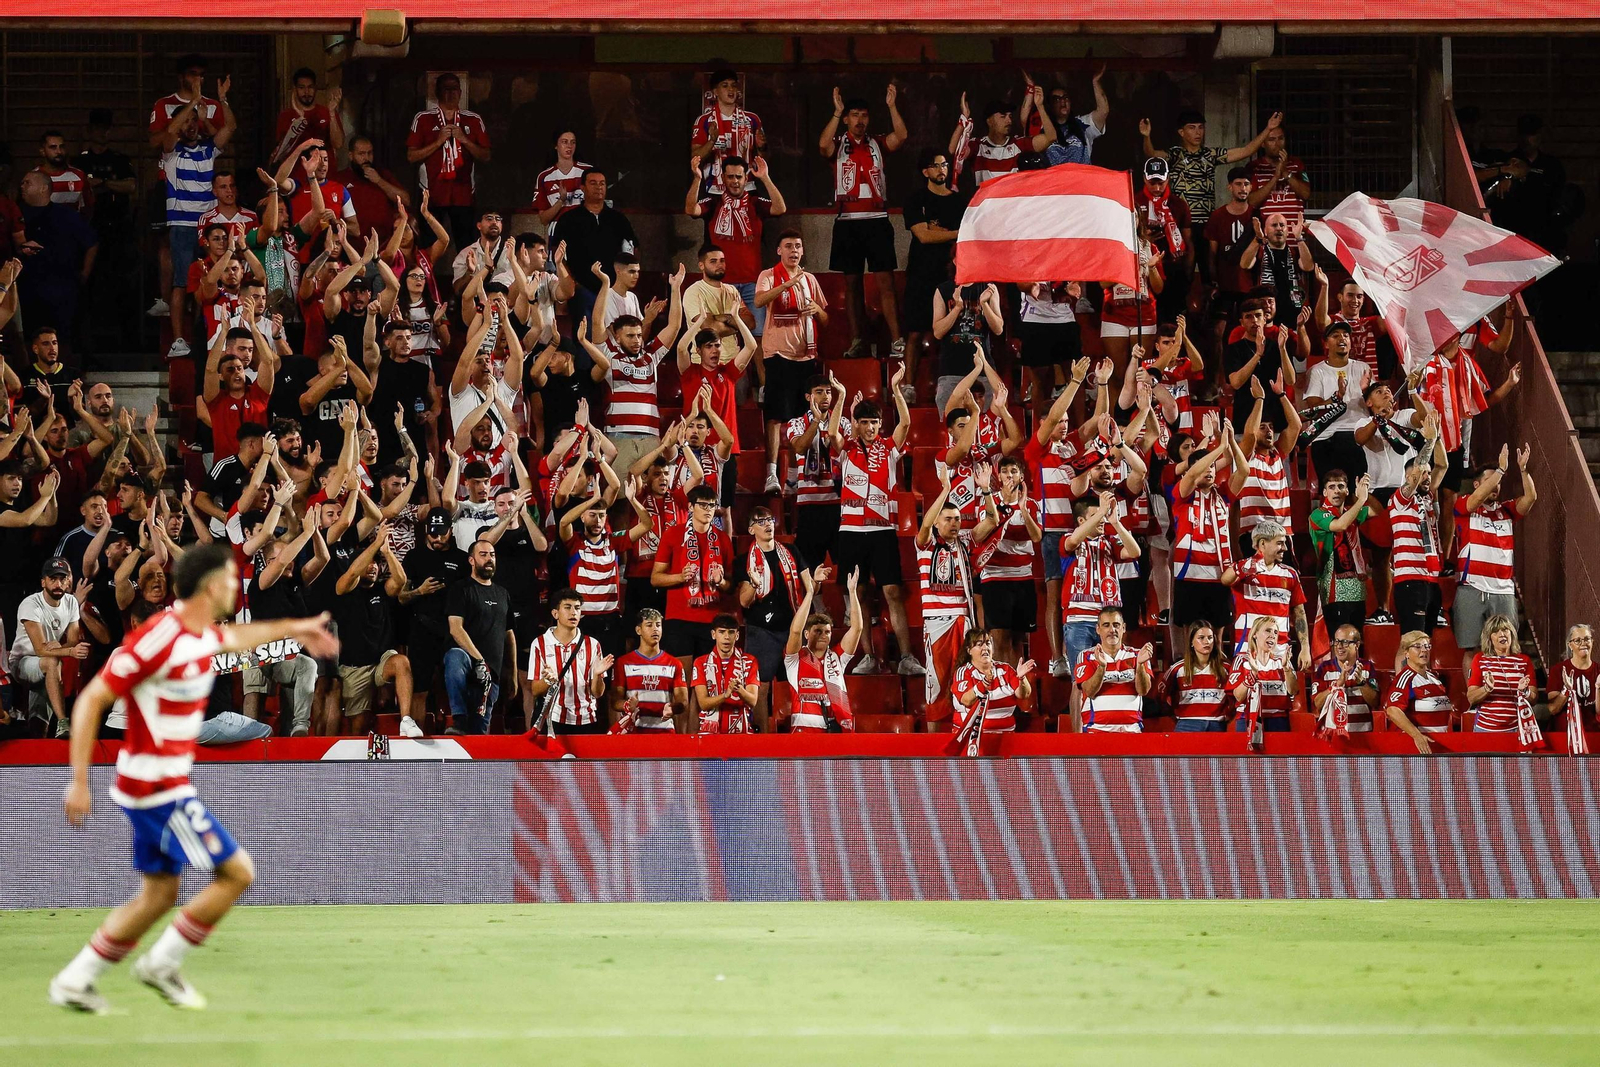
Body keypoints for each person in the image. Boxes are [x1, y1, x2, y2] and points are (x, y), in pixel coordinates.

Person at [50, 543, 336, 1014]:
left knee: (160, 894)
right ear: (210, 585)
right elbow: (91, 700)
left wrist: (298, 628)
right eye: (230, 578)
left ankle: (75, 979)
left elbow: (243, 639)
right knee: (238, 872)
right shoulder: (160, 636)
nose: (237, 587)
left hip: (153, 784)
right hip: (157, 787)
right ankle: (162, 963)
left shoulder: (200, 634)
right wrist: (77, 780)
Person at [831, 376, 921, 676]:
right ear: (856, 424)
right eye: (865, 422)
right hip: (851, 533)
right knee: (858, 595)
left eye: (875, 422)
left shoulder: (888, 447)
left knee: (893, 592)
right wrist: (842, 396)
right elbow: (832, 433)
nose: (870, 428)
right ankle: (868, 657)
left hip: (883, 531)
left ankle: (906, 657)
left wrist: (895, 390)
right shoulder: (846, 450)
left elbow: (905, 425)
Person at [818, 84, 907, 358]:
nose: (860, 120)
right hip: (848, 221)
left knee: (885, 282)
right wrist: (836, 113)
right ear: (847, 119)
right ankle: (858, 340)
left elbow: (901, 136)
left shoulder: (877, 143)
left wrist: (892, 106)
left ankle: (896, 340)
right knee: (852, 284)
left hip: (877, 220)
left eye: (864, 115)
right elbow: (823, 146)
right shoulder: (839, 144)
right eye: (854, 115)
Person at [156, 71, 235, 358]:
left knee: (209, 279)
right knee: (180, 280)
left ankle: (207, 333)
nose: (190, 125)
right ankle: (178, 339)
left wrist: (221, 100)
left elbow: (230, 128)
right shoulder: (170, 152)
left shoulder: (208, 149)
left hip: (207, 224)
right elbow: (168, 133)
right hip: (181, 224)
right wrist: (193, 104)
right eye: (185, 121)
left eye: (193, 120)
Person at [1140, 109, 1282, 247]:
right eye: (1192, 128)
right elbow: (1152, 155)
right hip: (1181, 223)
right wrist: (1146, 137)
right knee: (1184, 267)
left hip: (1207, 222)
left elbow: (1247, 151)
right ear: (1181, 132)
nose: (1198, 132)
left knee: (1208, 267)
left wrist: (1268, 129)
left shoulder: (1210, 155)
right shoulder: (1175, 154)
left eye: (1201, 127)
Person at [594, 265, 685, 478]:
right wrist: (605, 285)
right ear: (617, 337)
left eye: (638, 335)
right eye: (630, 336)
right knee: (622, 497)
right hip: (618, 437)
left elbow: (674, 325)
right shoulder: (609, 356)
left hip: (651, 438)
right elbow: (597, 323)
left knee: (654, 497)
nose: (636, 340)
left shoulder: (651, 355)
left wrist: (676, 288)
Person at [736, 505, 821, 731]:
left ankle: (802, 732)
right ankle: (763, 739)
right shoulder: (746, 560)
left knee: (800, 684)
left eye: (770, 519)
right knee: (761, 687)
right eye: (760, 521)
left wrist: (818, 580)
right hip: (762, 632)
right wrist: (754, 584)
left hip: (793, 629)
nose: (767, 524)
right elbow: (744, 601)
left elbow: (810, 587)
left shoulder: (791, 551)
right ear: (751, 529)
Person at [757, 231, 829, 493]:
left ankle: (791, 476)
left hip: (806, 356)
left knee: (801, 418)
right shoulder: (768, 275)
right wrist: (786, 285)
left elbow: (825, 319)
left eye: (798, 246)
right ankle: (771, 476)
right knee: (776, 417)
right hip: (777, 355)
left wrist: (816, 310)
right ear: (779, 251)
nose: (794, 250)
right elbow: (759, 300)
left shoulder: (809, 279)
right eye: (788, 246)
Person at [686, 154, 784, 338]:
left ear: (746, 178)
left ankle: (759, 369)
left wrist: (765, 178)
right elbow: (691, 209)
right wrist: (697, 179)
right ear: (723, 178)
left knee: (757, 335)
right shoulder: (714, 203)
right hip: (721, 284)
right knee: (725, 337)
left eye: (739, 176)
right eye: (730, 176)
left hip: (752, 284)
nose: (735, 181)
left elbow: (780, 208)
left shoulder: (755, 203)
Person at [331, 524, 412, 736]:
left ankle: (406, 720)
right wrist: (376, 542)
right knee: (358, 729)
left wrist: (386, 551)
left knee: (401, 662)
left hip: (381, 662)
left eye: (376, 563)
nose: (373, 567)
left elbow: (401, 581)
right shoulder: (344, 588)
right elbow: (352, 572)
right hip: (354, 666)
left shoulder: (382, 589)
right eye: (369, 563)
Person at [915, 470, 982, 729]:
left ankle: (966, 731)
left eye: (957, 519)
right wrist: (945, 491)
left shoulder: (964, 544)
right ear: (937, 523)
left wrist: (985, 491)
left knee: (965, 676)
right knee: (936, 683)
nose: (954, 524)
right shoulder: (926, 544)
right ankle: (934, 744)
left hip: (963, 622)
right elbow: (923, 527)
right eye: (948, 519)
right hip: (936, 623)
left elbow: (990, 524)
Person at [1454, 445, 1535, 651]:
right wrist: (1499, 471)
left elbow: (1530, 498)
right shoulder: (1464, 505)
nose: (1495, 486)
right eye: (1490, 482)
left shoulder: (1506, 510)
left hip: (1504, 590)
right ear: (1476, 484)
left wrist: (1523, 470)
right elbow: (1476, 500)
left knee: (1506, 648)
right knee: (1472, 649)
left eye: (1498, 483)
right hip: (1472, 587)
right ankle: (1473, 685)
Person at [901, 149, 968, 398]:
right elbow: (924, 235)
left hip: (952, 277)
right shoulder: (916, 199)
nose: (942, 169)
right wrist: (954, 233)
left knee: (951, 332)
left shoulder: (960, 202)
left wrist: (939, 230)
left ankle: (951, 385)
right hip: (921, 275)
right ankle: (908, 386)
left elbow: (941, 233)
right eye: (936, 165)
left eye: (944, 164)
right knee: (915, 332)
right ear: (925, 171)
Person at [558, 477, 649, 660]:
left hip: (611, 620)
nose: (597, 520)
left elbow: (647, 524)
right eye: (592, 515)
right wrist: (591, 500)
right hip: (582, 620)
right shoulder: (575, 542)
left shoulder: (614, 541)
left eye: (601, 515)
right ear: (583, 516)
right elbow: (563, 522)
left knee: (610, 678)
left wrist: (632, 499)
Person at [1171, 419, 1248, 632]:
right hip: (1189, 574)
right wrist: (1220, 448)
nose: (1210, 471)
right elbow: (1195, 473)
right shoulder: (1182, 495)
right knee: (1192, 633)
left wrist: (1231, 442)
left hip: (1219, 573)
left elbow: (1244, 471)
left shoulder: (1223, 495)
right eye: (1206, 466)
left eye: (1213, 466)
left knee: (1218, 631)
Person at [651, 484, 733, 672]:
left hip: (711, 619)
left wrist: (720, 582)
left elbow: (730, 586)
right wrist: (680, 576)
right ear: (690, 507)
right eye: (703, 505)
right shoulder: (673, 534)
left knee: (706, 683)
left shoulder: (723, 539)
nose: (708, 510)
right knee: (682, 682)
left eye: (712, 506)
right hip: (679, 618)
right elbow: (655, 578)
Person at [406, 73, 490, 248]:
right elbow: (411, 156)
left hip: (463, 194)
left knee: (467, 246)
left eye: (455, 89)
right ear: (438, 92)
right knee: (428, 244)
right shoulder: (423, 118)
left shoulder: (473, 120)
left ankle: (467, 276)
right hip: (431, 193)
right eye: (446, 89)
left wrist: (465, 139)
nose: (451, 93)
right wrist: (438, 142)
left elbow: (486, 156)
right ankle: (425, 275)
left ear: (460, 92)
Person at [10, 557, 89, 737]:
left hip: (48, 669)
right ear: (43, 582)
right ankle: (63, 721)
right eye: (52, 579)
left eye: (62, 579)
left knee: (39, 729)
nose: (58, 584)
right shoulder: (31, 604)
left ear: (68, 581)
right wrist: (69, 651)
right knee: (52, 662)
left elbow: (73, 640)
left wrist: (60, 647)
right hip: (22, 663)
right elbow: (39, 650)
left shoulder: (70, 602)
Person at [973, 455, 1041, 667]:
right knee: (999, 638)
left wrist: (1022, 509)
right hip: (995, 577)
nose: (1009, 475)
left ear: (1021, 475)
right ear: (998, 476)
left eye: (1014, 471)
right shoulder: (986, 502)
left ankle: (1017, 686)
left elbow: (1037, 537)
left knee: (1018, 640)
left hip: (1023, 577)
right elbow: (980, 535)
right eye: (1005, 471)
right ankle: (1002, 686)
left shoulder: (1031, 504)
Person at [443, 538, 513, 735]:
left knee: (480, 735)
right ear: (471, 560)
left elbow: (509, 635)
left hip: (492, 674)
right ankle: (459, 718)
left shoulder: (503, 593)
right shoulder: (460, 589)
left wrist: (513, 673)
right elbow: (455, 628)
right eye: (483, 555)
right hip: (466, 666)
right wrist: (478, 659)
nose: (489, 559)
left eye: (492, 555)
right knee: (455, 656)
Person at [782, 571, 863, 733]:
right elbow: (795, 631)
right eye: (817, 631)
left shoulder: (837, 657)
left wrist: (852, 592)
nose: (823, 636)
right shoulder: (795, 659)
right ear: (807, 634)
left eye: (827, 632)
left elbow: (857, 628)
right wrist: (811, 593)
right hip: (804, 733)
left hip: (836, 731)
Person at [1223, 519, 1310, 668]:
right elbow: (1225, 579)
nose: (1285, 548)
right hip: (1247, 652)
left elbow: (1299, 613)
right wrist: (1248, 565)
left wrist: (1305, 647)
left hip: (1280, 652)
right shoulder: (1244, 569)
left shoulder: (1290, 574)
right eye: (1280, 543)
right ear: (1262, 544)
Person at [526, 587, 611, 735]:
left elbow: (597, 693)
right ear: (555, 613)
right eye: (568, 607)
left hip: (586, 719)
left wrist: (597, 675)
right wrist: (548, 681)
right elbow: (535, 690)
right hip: (552, 718)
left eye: (577, 608)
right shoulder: (539, 644)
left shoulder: (593, 644)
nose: (573, 612)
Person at [559, 169, 638, 327]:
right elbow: (558, 255)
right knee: (584, 339)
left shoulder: (618, 219)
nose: (599, 187)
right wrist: (572, 283)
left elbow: (633, 249)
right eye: (593, 183)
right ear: (582, 187)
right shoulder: (569, 219)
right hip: (582, 290)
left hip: (614, 289)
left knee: (616, 336)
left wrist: (625, 280)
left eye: (602, 183)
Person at [1388, 443, 1449, 637]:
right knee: (1411, 640)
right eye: (1423, 473)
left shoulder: (1428, 499)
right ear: (1409, 477)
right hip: (1410, 581)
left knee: (1425, 642)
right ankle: (1405, 670)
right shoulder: (1400, 500)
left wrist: (1438, 437)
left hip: (1431, 580)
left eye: (1428, 474)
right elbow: (1419, 468)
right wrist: (1429, 441)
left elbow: (1443, 466)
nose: (1427, 477)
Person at [1302, 321, 1371, 481]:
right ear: (1326, 343)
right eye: (1335, 336)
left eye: (1346, 335)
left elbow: (1375, 404)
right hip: (1327, 436)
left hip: (1357, 434)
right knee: (1330, 494)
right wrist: (1336, 398)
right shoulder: (1317, 371)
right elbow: (1313, 408)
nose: (1342, 338)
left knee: (1358, 490)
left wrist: (1366, 391)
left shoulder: (1363, 368)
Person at [1308, 471, 1375, 635]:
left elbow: (1378, 512)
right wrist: (1361, 500)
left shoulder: (1353, 510)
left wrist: (1367, 491)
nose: (1336, 490)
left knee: (1357, 641)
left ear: (1347, 491)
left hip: (1358, 590)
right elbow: (1340, 525)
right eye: (1331, 487)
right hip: (1333, 592)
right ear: (1324, 492)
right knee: (1339, 642)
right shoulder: (1318, 514)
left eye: (1341, 486)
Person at [948, 87, 1054, 187]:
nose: (1009, 121)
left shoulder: (1018, 143)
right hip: (987, 203)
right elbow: (954, 150)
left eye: (1010, 116)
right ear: (989, 121)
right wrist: (963, 119)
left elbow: (1051, 137)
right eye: (1003, 116)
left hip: (1011, 203)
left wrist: (1040, 106)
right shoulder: (978, 146)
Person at [1074, 607, 1151, 733]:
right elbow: (1089, 691)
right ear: (1098, 629)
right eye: (1106, 625)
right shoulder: (1086, 656)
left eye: (1116, 625)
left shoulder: (1138, 655)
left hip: (1132, 731)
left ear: (1124, 628)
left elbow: (1143, 690)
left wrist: (1140, 665)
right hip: (1097, 731)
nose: (1112, 630)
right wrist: (1102, 667)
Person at [1136, 157, 1194, 324]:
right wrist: (1143, 238)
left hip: (1174, 269)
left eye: (1161, 182)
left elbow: (1189, 243)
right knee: (1150, 322)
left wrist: (1188, 276)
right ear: (1144, 178)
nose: (1157, 188)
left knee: (1175, 323)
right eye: (1152, 182)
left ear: (1168, 178)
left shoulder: (1179, 205)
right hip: (1145, 271)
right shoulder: (1135, 202)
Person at [691, 69, 766, 197]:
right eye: (725, 85)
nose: (730, 89)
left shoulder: (752, 119)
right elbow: (695, 157)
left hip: (747, 187)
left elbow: (764, 159)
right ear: (715, 92)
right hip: (715, 189)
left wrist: (761, 147)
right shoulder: (705, 120)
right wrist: (712, 141)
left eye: (733, 85)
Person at [611, 609, 689, 733]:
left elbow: (683, 701)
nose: (655, 629)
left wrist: (673, 708)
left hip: (664, 732)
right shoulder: (623, 663)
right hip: (633, 732)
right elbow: (615, 701)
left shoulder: (674, 664)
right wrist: (627, 705)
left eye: (658, 625)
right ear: (638, 630)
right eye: (649, 625)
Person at [950, 629, 1032, 746]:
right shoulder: (963, 672)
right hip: (971, 740)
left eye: (988, 643)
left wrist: (1021, 678)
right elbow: (966, 700)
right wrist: (983, 685)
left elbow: (1024, 694)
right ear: (969, 650)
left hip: (1006, 738)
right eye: (979, 644)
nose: (985, 648)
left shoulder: (1005, 669)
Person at [1240, 213, 1315, 334]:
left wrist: (1299, 238)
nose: (1279, 228)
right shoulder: (1259, 250)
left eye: (1282, 225)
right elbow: (1245, 264)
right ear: (1265, 229)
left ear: (1287, 230)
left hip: (1293, 314)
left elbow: (1308, 266)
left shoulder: (1295, 251)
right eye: (1274, 225)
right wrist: (1258, 239)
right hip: (1265, 316)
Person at [1383, 630, 1453, 754]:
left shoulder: (1434, 679)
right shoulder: (1406, 678)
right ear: (1406, 653)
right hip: (1415, 749)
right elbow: (1393, 710)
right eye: (1417, 646)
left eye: (1427, 646)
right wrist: (1417, 736)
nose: (1424, 650)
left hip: (1437, 746)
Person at [1226, 617, 1296, 741]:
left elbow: (1293, 690)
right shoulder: (1241, 660)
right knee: (1248, 760)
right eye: (1268, 631)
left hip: (1278, 720)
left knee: (1279, 760)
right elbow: (1238, 696)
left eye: (1275, 632)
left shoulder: (1282, 661)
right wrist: (1253, 673)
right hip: (1247, 719)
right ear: (1255, 635)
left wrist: (1286, 667)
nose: (1272, 635)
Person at [1466, 614, 1535, 736]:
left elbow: (1534, 699)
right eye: (1496, 632)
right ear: (1489, 638)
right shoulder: (1480, 659)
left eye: (1505, 630)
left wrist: (1525, 691)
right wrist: (1487, 688)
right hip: (1486, 730)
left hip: (1517, 729)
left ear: (1511, 634)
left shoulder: (1524, 661)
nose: (1502, 634)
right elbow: (1471, 698)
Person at [692, 613, 761, 734]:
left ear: (737, 635)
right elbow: (703, 703)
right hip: (709, 733)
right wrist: (725, 695)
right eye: (722, 632)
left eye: (731, 632)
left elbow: (753, 700)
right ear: (714, 634)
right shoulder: (701, 663)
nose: (726, 637)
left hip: (741, 732)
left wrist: (740, 690)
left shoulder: (750, 661)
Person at [1246, 122, 1310, 245]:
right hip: (1267, 242)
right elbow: (1252, 201)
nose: (1277, 144)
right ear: (1263, 143)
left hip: (1295, 239)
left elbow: (1306, 194)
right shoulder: (1254, 167)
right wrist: (1275, 177)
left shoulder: (1297, 164)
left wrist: (1286, 172)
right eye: (1272, 139)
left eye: (1281, 138)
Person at [1160, 620, 1230, 732]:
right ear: (1191, 642)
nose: (1207, 642)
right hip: (1187, 725)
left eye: (1210, 638)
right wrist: (1178, 717)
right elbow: (1161, 698)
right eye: (1201, 638)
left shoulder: (1226, 669)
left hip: (1217, 725)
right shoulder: (1177, 669)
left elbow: (1235, 699)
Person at [1309, 625, 1380, 735]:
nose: (1339, 646)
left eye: (1345, 642)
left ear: (1357, 645)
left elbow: (1375, 702)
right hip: (1332, 736)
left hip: (1363, 735)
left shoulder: (1367, 667)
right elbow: (1317, 704)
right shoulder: (1324, 668)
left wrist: (1361, 683)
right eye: (1336, 641)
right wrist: (1337, 685)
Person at [270, 68, 343, 168]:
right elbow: (280, 152)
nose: (306, 92)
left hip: (324, 176)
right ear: (295, 90)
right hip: (295, 178)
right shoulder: (285, 115)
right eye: (301, 87)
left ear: (315, 88)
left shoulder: (326, 112)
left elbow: (338, 144)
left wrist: (331, 113)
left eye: (310, 87)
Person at [1038, 68, 1110, 166]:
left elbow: (1103, 111)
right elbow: (1024, 123)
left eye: (1065, 98)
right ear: (1050, 105)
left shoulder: (1083, 123)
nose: (1063, 102)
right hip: (1055, 180)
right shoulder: (1044, 127)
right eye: (1057, 99)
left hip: (1081, 179)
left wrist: (1095, 82)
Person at [533, 130, 590, 240]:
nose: (569, 146)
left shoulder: (588, 171)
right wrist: (561, 201)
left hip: (586, 231)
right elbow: (543, 219)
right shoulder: (544, 177)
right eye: (564, 142)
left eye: (573, 142)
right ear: (556, 145)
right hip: (558, 233)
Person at [1550, 624, 1599, 736]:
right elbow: (1553, 709)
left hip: (1594, 735)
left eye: (1587, 639)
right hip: (1565, 736)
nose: (1583, 643)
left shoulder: (1598, 671)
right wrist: (1566, 690)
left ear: (1592, 641)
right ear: (1570, 645)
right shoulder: (1558, 670)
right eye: (1577, 640)